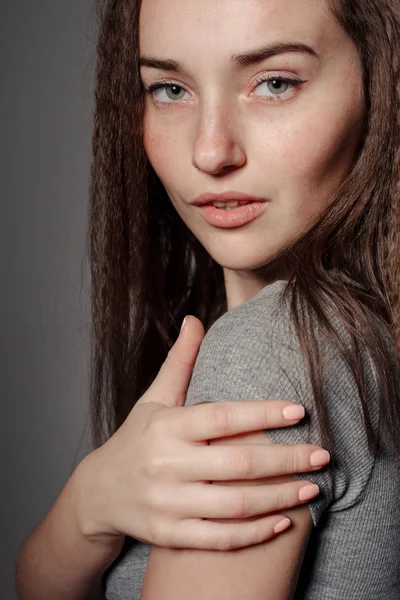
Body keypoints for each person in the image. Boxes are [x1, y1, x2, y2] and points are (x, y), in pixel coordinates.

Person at [15, 0, 400, 598]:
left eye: (274, 83)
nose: (210, 152)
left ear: (381, 83)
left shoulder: (267, 352)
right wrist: (85, 512)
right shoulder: (360, 334)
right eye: (170, 89)